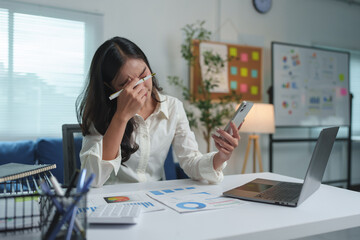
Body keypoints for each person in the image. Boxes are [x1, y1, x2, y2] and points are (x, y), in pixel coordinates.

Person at [76, 36, 241, 187]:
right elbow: (91, 179)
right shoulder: (100, 113)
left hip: (154, 197)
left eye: (143, 74)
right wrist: (121, 117)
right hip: (112, 199)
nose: (141, 87)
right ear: (110, 88)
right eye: (127, 84)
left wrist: (221, 156)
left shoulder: (173, 107)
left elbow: (191, 162)